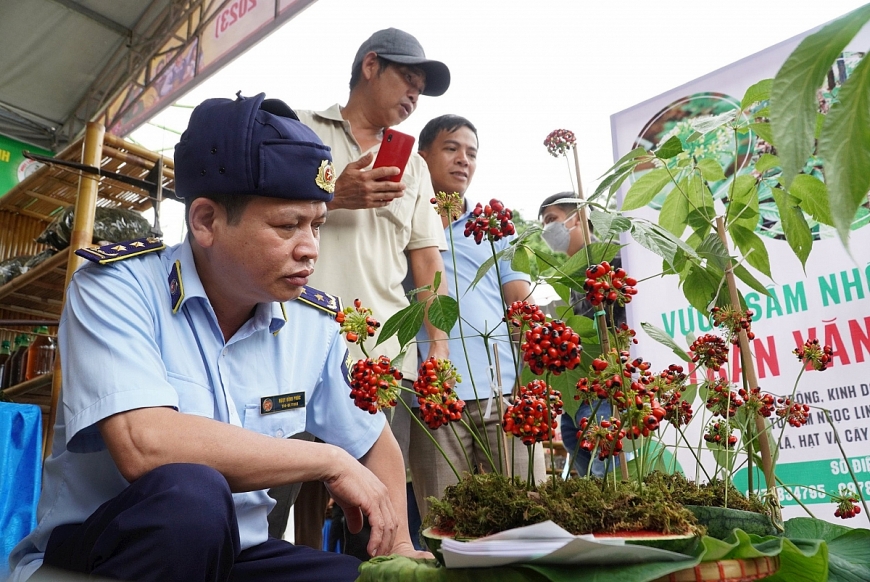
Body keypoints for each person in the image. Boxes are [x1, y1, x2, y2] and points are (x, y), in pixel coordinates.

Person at [8, 92, 426, 582]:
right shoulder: (116, 290)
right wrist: (325, 460)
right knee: (192, 498)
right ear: (205, 220)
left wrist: (400, 544)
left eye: (317, 224)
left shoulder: (311, 326)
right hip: (104, 557)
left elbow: (374, 440)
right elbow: (145, 445)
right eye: (287, 225)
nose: (310, 249)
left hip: (235, 556)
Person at [286, 28, 451, 551]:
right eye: (408, 78)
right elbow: (258, 214)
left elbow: (426, 261)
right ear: (370, 65)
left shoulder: (417, 167)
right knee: (269, 500)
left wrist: (439, 345)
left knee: (377, 510)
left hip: (381, 357)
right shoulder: (298, 127)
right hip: (286, 344)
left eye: (421, 89)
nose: (413, 96)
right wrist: (332, 196)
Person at [410, 114, 546, 521]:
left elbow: (519, 303)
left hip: (502, 392)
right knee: (447, 522)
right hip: (434, 393)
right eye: (451, 148)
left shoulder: (494, 227)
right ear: (422, 158)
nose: (463, 160)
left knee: (531, 513)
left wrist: (536, 375)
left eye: (471, 153)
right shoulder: (401, 221)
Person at [538, 193, 624, 478]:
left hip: (607, 384)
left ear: (578, 217)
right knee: (585, 471)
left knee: (605, 474)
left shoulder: (609, 258)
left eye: (552, 220)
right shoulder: (572, 273)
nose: (547, 230)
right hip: (582, 387)